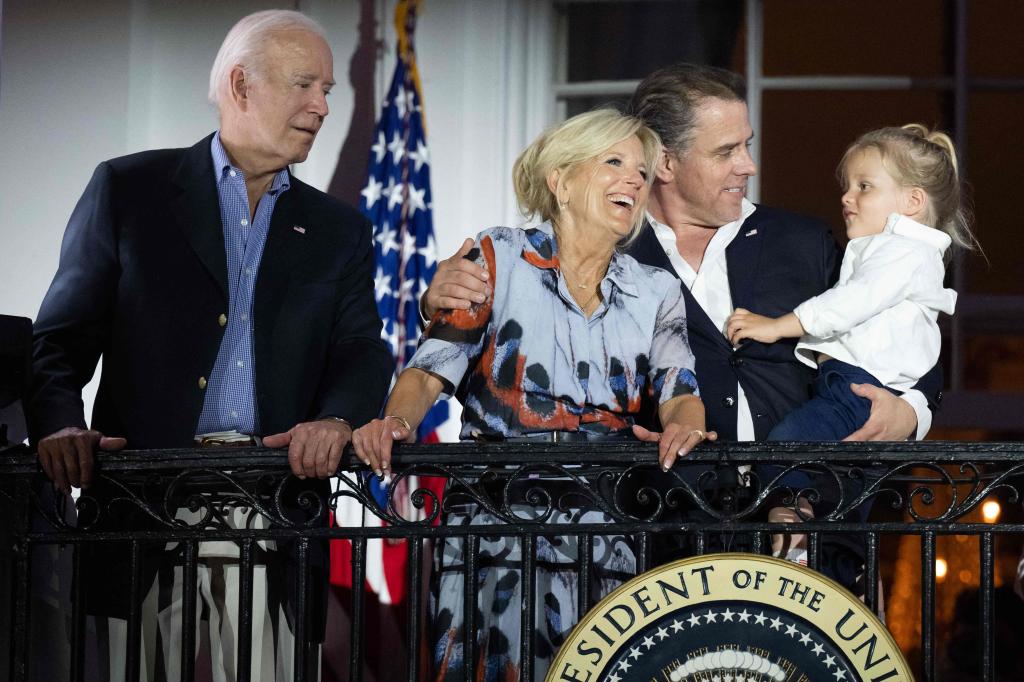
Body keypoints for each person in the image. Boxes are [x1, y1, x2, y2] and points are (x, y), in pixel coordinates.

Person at [421, 64, 943, 587]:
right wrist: (443, 295)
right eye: (726, 152)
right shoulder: (612, 255)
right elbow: (523, 310)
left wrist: (912, 410)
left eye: (747, 144)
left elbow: (907, 321)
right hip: (662, 551)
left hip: (815, 543)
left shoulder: (804, 240)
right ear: (665, 162)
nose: (750, 165)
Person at [28, 10, 393, 681]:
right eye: (305, 85)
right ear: (242, 85)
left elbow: (362, 351)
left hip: (273, 500)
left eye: (329, 91)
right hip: (139, 496)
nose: (320, 106)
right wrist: (59, 424)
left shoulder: (340, 230)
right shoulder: (128, 190)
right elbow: (60, 339)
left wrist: (338, 418)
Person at [354, 108, 713, 680]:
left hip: (605, 537)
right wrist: (396, 423)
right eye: (614, 163)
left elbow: (680, 392)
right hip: (494, 533)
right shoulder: (495, 258)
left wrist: (685, 423)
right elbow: (428, 373)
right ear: (561, 181)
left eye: (641, 172)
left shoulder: (656, 290)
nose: (633, 181)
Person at [725, 124, 974, 562]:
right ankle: (823, 550)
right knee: (845, 489)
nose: (847, 197)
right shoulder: (886, 251)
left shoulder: (905, 252)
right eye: (848, 187)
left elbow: (850, 303)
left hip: (858, 391)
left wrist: (778, 325)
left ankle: (797, 526)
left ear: (913, 201)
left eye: (864, 187)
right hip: (852, 387)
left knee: (785, 445)